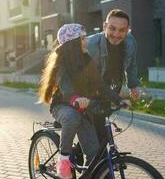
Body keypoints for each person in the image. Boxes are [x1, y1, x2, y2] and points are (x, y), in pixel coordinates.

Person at [38, 23, 125, 179]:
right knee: (72, 117)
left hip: (82, 108)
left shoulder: (87, 61)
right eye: (82, 38)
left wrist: (118, 99)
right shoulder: (62, 64)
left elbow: (100, 84)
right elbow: (66, 87)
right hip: (63, 106)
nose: (86, 41)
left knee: (94, 154)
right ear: (72, 44)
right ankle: (63, 161)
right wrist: (75, 98)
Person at [87, 9, 141, 142]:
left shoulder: (130, 42)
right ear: (105, 26)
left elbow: (132, 65)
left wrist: (133, 86)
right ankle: (73, 157)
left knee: (99, 134)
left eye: (122, 30)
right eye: (112, 28)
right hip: (89, 92)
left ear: (128, 30)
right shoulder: (91, 45)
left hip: (111, 91)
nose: (116, 34)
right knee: (98, 136)